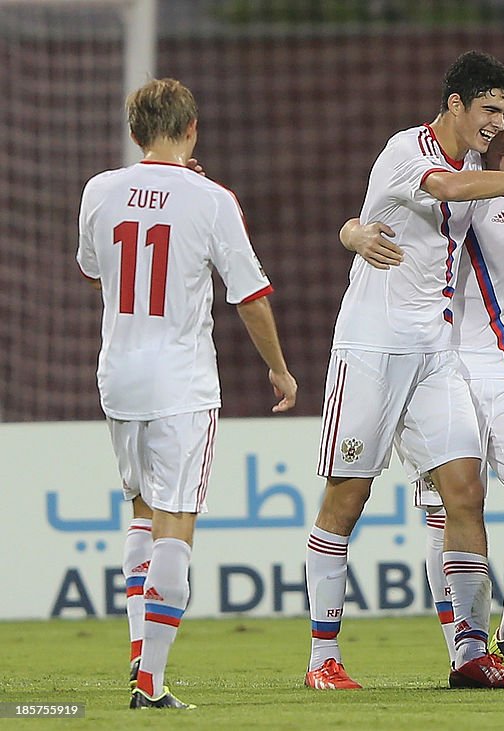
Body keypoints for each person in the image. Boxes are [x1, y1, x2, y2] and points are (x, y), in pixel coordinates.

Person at [306, 51, 504, 691]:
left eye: (503, 114)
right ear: (454, 104)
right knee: (347, 500)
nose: (496, 125)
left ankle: (470, 653)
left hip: (436, 356)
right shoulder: (409, 149)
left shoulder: (475, 161)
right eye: (487, 110)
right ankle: (323, 658)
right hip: (372, 349)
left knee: (466, 493)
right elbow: (450, 191)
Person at [76, 78, 298, 709]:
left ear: (134, 131)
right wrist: (279, 370)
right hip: (181, 379)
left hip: (118, 374)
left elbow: (99, 275)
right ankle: (151, 684)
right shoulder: (212, 199)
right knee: (177, 522)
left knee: (142, 513)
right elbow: (250, 296)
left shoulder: (99, 190)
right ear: (193, 127)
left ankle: (137, 661)